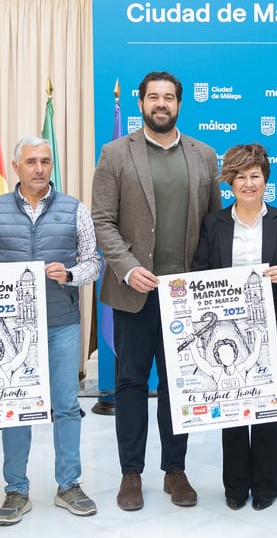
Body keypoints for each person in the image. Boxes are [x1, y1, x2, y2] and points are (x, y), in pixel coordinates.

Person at [92, 71, 221, 511]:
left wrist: (204, 280)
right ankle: (131, 473)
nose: (160, 104)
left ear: (179, 104)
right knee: (129, 383)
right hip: (134, 294)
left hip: (184, 297)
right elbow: (102, 220)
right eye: (153, 97)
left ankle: (175, 470)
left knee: (178, 384)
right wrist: (127, 269)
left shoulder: (204, 156)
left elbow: (213, 226)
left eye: (168, 97)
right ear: (141, 103)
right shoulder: (114, 154)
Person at [0, 135, 101, 526]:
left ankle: (69, 485)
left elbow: (94, 263)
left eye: (45, 161)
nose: (39, 168)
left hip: (61, 324)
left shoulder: (74, 209)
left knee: (66, 406)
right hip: (10, 332)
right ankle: (16, 490)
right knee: (16, 409)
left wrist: (71, 274)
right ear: (16, 167)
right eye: (31, 161)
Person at [191, 143, 277, 511]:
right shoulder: (213, 223)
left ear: (265, 179)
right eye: (240, 178)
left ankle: (266, 486)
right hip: (224, 334)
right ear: (230, 184)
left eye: (255, 176)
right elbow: (199, 271)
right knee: (233, 408)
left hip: (274, 329)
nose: (248, 184)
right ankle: (235, 487)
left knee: (267, 409)